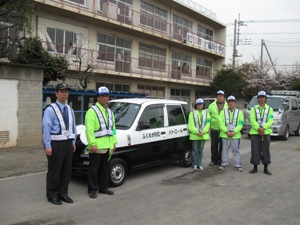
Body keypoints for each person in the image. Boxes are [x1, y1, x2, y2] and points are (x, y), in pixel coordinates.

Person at [42, 82, 77, 205]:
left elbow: (73, 127)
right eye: (61, 92)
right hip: (55, 144)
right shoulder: (50, 109)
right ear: (56, 93)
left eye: (66, 92)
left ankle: (63, 194)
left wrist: (73, 141)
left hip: (68, 144)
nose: (64, 94)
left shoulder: (70, 109)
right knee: (54, 171)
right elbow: (46, 127)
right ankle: (52, 195)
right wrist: (47, 145)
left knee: (66, 170)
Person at [85, 86, 117, 198]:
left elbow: (113, 129)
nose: (105, 98)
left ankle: (104, 188)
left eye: (107, 96)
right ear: (97, 97)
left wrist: (114, 142)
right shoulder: (92, 111)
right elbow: (88, 129)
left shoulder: (110, 112)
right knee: (94, 170)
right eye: (102, 96)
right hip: (97, 146)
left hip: (108, 146)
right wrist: (92, 143)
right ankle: (92, 190)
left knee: (105, 169)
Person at [249, 91, 274, 175]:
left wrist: (263, 128)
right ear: (257, 99)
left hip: (266, 132)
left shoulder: (270, 109)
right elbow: (252, 120)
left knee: (266, 150)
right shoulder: (253, 109)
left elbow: (270, 120)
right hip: (255, 133)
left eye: (263, 97)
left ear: (265, 99)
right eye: (259, 97)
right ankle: (255, 167)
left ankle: (266, 168)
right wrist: (258, 128)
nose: (261, 99)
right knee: (255, 150)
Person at [218, 96, 244, 172]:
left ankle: (237, 165)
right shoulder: (223, 112)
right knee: (224, 150)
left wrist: (234, 132)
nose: (231, 103)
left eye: (232, 102)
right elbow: (221, 123)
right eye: (229, 102)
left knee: (236, 150)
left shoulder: (239, 113)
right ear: (227, 103)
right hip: (225, 135)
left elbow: (240, 123)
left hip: (235, 135)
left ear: (235, 103)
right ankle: (224, 163)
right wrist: (226, 131)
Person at [188, 98, 211, 170]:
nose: (199, 105)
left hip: (203, 135)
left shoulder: (207, 113)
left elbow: (208, 123)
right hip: (195, 135)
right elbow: (190, 125)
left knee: (200, 150)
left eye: (201, 104)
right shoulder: (192, 113)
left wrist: (203, 131)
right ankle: (194, 164)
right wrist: (197, 132)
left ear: (203, 105)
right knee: (195, 150)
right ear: (196, 105)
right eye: (198, 104)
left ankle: (199, 164)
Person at [207, 90, 228, 166]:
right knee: (214, 145)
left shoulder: (227, 105)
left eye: (221, 96)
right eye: (218, 96)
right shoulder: (211, 106)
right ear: (216, 97)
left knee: (223, 146)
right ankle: (214, 160)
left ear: (224, 97)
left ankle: (220, 159)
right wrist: (208, 128)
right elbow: (208, 118)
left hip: (224, 129)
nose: (219, 97)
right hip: (214, 128)